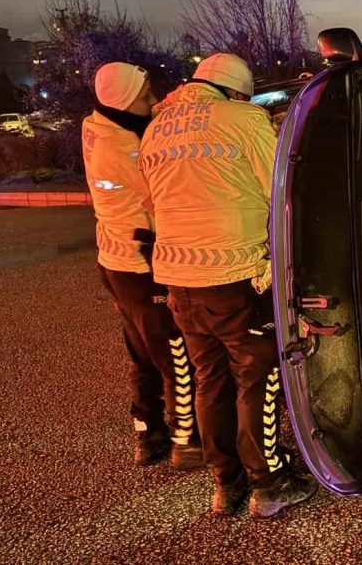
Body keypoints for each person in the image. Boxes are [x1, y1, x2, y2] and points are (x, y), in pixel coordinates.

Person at [139, 53, 316, 518]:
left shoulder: (158, 127)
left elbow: (150, 201)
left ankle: (226, 484)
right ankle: (270, 484)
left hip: (178, 278)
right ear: (237, 91)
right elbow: (280, 189)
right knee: (257, 378)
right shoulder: (243, 118)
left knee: (209, 378)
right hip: (236, 275)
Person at [83, 62, 202, 470]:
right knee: (174, 352)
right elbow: (162, 198)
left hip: (117, 262)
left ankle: (147, 434)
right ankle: (186, 440)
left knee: (142, 353)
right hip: (140, 263)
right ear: (124, 98)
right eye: (146, 92)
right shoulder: (122, 149)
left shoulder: (104, 127)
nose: (153, 99)